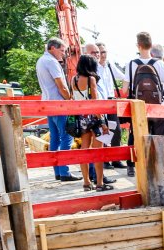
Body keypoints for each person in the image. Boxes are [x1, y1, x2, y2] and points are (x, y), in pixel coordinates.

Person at [125, 31, 164, 176]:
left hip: (139, 108)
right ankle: (158, 165)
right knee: (159, 136)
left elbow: (124, 89)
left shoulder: (131, 64)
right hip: (158, 108)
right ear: (151, 46)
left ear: (138, 45)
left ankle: (132, 166)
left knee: (135, 135)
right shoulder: (159, 64)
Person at [35, 38, 78, 181]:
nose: (64, 53)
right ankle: (64, 172)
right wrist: (70, 100)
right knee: (67, 136)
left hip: (47, 104)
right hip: (59, 104)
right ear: (53, 48)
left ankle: (58, 171)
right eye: (62, 50)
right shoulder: (52, 62)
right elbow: (61, 86)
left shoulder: (41, 60)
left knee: (55, 138)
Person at [70, 54, 115, 191]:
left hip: (81, 118)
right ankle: (100, 183)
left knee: (84, 149)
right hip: (94, 118)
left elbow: (73, 98)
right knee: (98, 151)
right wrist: (102, 122)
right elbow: (95, 102)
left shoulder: (74, 79)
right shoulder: (91, 79)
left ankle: (86, 182)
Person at [96, 42, 126, 166]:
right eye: (100, 52)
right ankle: (104, 160)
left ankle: (115, 158)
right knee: (102, 130)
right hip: (100, 101)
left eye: (104, 52)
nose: (103, 55)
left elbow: (123, 76)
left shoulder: (109, 65)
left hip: (111, 100)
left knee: (117, 130)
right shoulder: (94, 67)